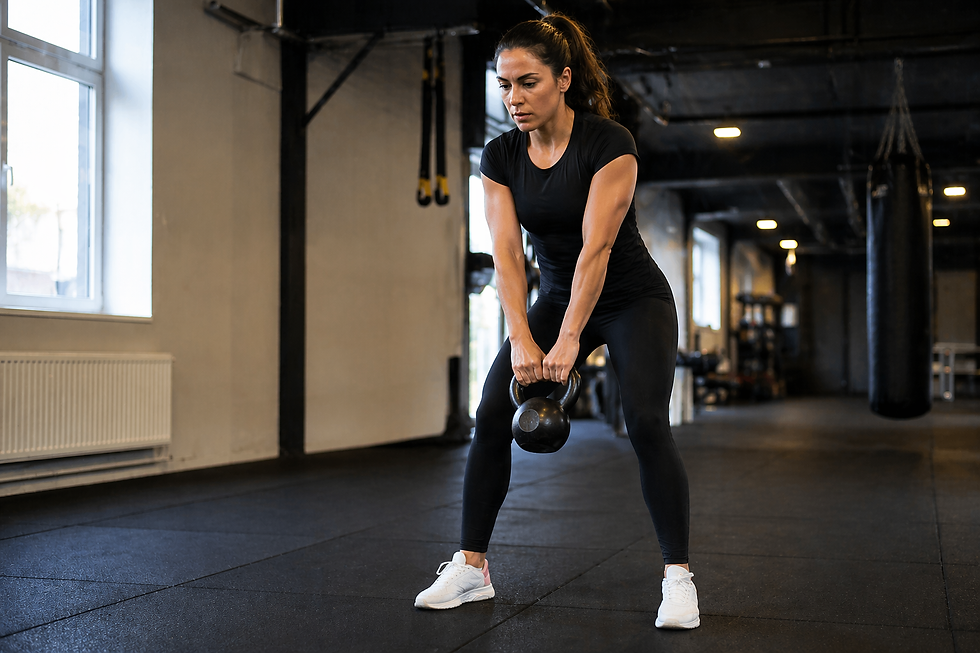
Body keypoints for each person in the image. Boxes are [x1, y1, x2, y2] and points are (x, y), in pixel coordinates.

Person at [414, 13, 699, 630]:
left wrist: (569, 340)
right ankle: (471, 567)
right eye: (504, 85)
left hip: (631, 298)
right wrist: (521, 335)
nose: (514, 98)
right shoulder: (501, 155)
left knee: (646, 421)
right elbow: (507, 254)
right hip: (557, 294)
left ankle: (678, 578)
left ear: (564, 79)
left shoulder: (609, 143)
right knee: (492, 412)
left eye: (529, 82)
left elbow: (598, 249)